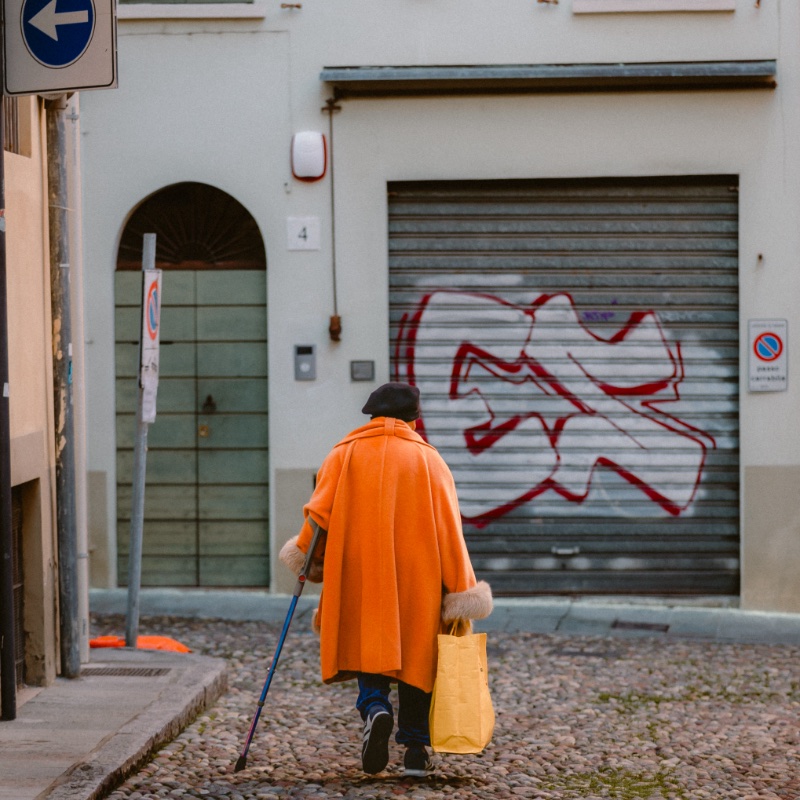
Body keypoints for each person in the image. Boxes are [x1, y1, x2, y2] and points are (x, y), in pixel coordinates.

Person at [280, 382, 493, 778]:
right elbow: (449, 529)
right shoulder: (430, 461)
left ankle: (375, 708)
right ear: (415, 418)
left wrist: (307, 557)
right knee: (416, 657)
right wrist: (462, 588)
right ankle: (415, 749)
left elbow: (318, 518)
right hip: (420, 580)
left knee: (369, 644)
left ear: (372, 414)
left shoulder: (342, 455)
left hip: (359, 573)